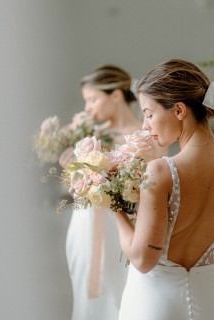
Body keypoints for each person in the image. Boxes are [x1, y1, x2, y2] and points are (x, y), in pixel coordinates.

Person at [111, 59, 214, 320]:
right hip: (213, 305)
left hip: (156, 305)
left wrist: (113, 207)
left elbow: (143, 261)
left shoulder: (161, 171)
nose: (145, 125)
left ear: (179, 110)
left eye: (149, 113)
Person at [64, 65, 142, 320]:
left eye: (92, 99)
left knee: (120, 291)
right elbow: (76, 189)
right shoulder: (93, 135)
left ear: (116, 95)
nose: (87, 108)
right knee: (86, 292)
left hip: (122, 227)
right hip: (85, 227)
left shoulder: (143, 136)